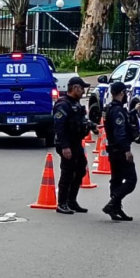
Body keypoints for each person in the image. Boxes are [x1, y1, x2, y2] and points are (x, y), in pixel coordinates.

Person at [52, 76, 92, 214]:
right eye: (81, 89)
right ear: (74, 88)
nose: (83, 92)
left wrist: (90, 125)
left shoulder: (76, 104)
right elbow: (59, 127)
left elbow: (81, 121)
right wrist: (64, 146)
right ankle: (62, 203)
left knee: (81, 170)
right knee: (67, 173)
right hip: (67, 144)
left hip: (76, 142)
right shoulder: (63, 104)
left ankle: (71, 201)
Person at [101, 80, 137, 221]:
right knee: (131, 180)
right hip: (120, 150)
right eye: (125, 92)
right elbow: (120, 131)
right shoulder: (117, 111)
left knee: (116, 179)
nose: (127, 95)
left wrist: (133, 112)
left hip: (113, 149)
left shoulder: (110, 108)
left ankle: (116, 208)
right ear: (121, 93)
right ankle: (113, 203)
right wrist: (127, 150)